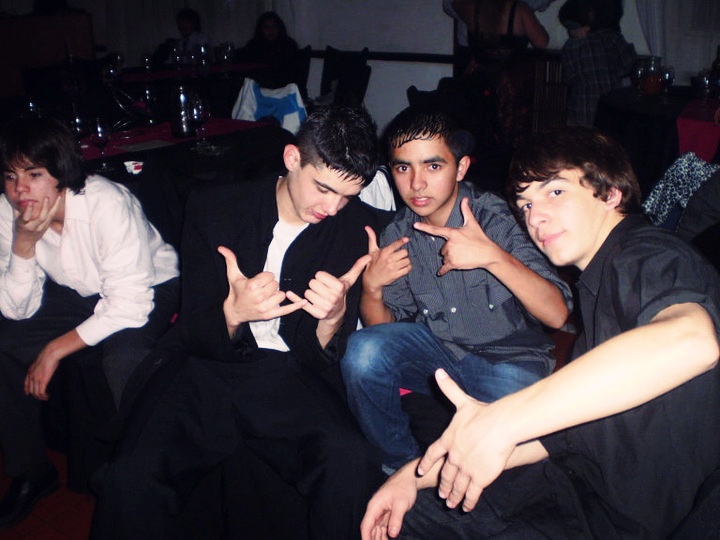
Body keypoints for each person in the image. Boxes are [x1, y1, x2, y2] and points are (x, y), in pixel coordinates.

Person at [361, 126, 720, 539]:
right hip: (573, 484)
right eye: (526, 204)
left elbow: (692, 341)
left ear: (610, 193)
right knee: (406, 516)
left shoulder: (647, 252)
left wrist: (501, 420)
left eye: (555, 192)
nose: (535, 217)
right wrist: (414, 475)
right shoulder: (598, 284)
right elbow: (564, 436)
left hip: (628, 521)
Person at [90, 105, 393, 539]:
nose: (332, 207)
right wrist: (233, 314)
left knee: (349, 460)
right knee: (132, 477)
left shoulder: (357, 229)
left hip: (288, 373)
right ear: (292, 158)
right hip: (206, 366)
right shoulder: (215, 205)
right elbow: (192, 325)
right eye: (324, 188)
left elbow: (321, 357)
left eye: (347, 195)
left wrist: (333, 319)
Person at [340, 107, 571, 475]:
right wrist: (372, 287)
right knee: (362, 351)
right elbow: (381, 335)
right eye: (403, 168)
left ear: (461, 168)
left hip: (508, 360)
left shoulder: (497, 218)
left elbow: (557, 314)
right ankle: (401, 467)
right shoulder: (398, 233)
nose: (417, 184)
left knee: (524, 458)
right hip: (438, 356)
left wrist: (492, 257)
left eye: (433, 166)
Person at [0, 116, 179, 529]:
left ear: (61, 174)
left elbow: (131, 304)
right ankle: (31, 470)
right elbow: (17, 310)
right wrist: (24, 246)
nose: (20, 189)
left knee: (123, 358)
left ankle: (146, 477)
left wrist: (54, 349)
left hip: (147, 284)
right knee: (7, 344)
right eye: (10, 176)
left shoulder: (106, 203)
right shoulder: (9, 211)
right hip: (78, 289)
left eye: (34, 174)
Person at [559, 0, 636, 126]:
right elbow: (629, 62)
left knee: (579, 137)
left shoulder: (570, 46)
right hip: (610, 107)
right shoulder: (611, 38)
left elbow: (568, 78)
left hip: (581, 109)